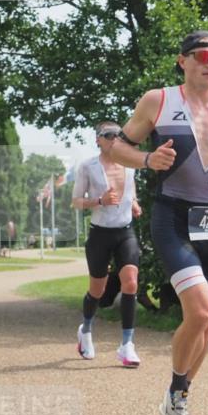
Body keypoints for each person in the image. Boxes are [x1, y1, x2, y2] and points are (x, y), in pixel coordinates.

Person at [109, 30, 208, 415]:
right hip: (172, 217)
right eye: (202, 56)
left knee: (206, 326)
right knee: (199, 313)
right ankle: (177, 396)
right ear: (183, 61)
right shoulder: (158, 101)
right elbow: (116, 149)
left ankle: (177, 399)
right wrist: (146, 159)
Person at [71, 121, 143, 367]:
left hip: (125, 232)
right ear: (98, 140)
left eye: (118, 135)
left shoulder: (130, 164)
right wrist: (99, 201)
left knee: (131, 282)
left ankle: (127, 345)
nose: (114, 138)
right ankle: (86, 330)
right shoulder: (88, 167)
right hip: (100, 234)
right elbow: (77, 201)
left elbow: (131, 191)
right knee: (97, 291)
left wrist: (133, 203)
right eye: (108, 135)